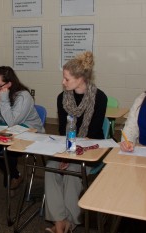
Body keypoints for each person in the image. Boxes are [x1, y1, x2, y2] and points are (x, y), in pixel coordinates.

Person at [45, 51, 107, 233]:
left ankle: (71, 222)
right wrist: (66, 153)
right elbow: (63, 129)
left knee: (73, 170)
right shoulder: (62, 97)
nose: (63, 82)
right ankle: (59, 221)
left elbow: (94, 132)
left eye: (66, 79)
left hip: (91, 147)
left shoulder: (99, 97)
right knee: (50, 167)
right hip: (68, 145)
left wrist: (70, 156)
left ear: (80, 78)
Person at [0, 66, 44, 191]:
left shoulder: (23, 96)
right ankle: (15, 175)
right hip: (8, 131)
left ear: (9, 83)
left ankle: (11, 177)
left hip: (30, 132)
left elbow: (12, 122)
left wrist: (3, 100)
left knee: (7, 149)